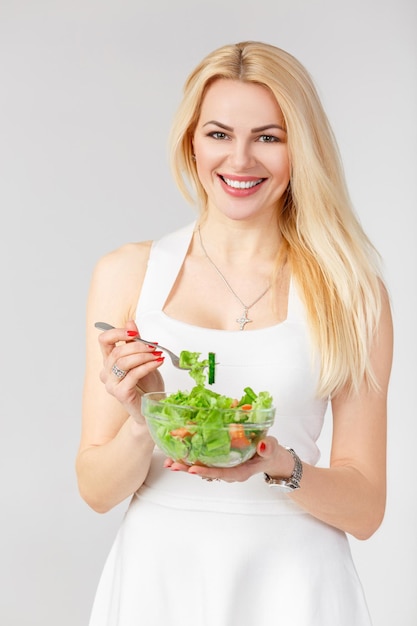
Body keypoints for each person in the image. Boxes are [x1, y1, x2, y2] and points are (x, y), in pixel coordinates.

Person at [76, 41, 393, 626]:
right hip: (159, 580)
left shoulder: (352, 292)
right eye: (219, 134)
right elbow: (96, 490)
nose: (240, 160)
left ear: (301, 148)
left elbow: (366, 508)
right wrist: (145, 419)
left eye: (268, 137)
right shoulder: (126, 273)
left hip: (297, 586)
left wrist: (275, 463)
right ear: (191, 141)